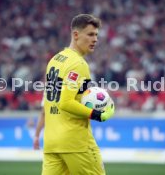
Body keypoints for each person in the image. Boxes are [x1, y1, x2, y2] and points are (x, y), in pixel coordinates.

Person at [41, 14, 115, 175]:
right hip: (75, 142)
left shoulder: (55, 59)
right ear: (76, 35)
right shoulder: (78, 64)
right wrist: (97, 114)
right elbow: (66, 102)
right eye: (90, 34)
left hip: (52, 142)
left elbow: (50, 100)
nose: (95, 39)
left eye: (96, 35)